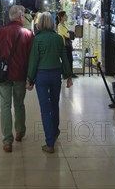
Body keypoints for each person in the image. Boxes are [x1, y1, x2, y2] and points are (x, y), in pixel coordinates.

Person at [26, 12, 73, 153]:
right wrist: (68, 76)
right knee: (54, 105)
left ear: (40, 23)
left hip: (41, 76)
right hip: (55, 75)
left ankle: (50, 142)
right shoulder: (58, 39)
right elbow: (64, 58)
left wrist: (30, 78)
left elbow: (33, 61)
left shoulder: (38, 39)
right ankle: (55, 130)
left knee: (45, 109)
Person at [0, 5, 33, 153]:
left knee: (5, 106)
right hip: (20, 75)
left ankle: (7, 140)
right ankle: (20, 131)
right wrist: (30, 77)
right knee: (19, 104)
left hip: (3, 75)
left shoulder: (1, 32)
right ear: (21, 17)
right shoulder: (27, 33)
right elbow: (31, 57)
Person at [56, 11, 78, 78]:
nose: (67, 17)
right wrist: (71, 34)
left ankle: (69, 73)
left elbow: (68, 34)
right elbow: (67, 35)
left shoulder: (63, 25)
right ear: (62, 17)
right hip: (65, 45)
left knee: (69, 59)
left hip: (67, 45)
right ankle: (66, 74)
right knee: (67, 60)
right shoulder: (60, 26)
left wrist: (70, 34)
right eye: (65, 16)